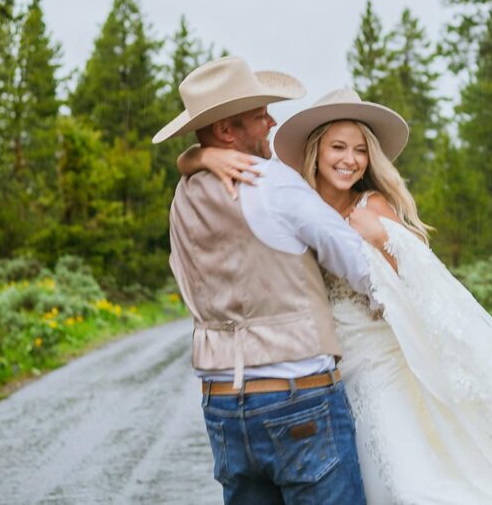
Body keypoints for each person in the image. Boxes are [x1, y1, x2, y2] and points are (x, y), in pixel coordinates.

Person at [179, 87, 492, 505]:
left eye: (360, 151)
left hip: (378, 365)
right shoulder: (293, 195)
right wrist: (200, 158)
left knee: (406, 481)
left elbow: (418, 293)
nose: (350, 160)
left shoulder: (373, 212)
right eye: (338, 148)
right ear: (316, 152)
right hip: (330, 378)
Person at [152, 58, 371, 504]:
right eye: (259, 116)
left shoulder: (182, 196)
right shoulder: (271, 182)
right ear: (228, 133)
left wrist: (195, 154)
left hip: (222, 407)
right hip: (298, 399)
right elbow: (360, 266)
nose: (271, 121)